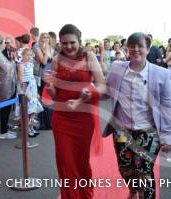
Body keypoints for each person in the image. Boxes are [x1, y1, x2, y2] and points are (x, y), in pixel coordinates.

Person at [104, 32, 171, 199]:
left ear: (148, 49)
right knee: (125, 168)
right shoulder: (117, 68)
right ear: (127, 48)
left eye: (140, 46)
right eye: (132, 45)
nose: (136, 49)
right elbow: (106, 92)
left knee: (145, 173)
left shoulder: (161, 74)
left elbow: (167, 106)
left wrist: (167, 136)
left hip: (148, 132)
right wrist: (87, 90)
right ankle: (133, 189)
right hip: (122, 132)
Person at [44, 24, 106, 198]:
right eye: (64, 43)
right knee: (65, 161)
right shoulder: (56, 60)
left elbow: (102, 86)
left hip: (83, 118)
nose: (68, 47)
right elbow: (55, 94)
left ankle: (85, 195)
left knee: (81, 161)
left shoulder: (89, 56)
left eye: (72, 42)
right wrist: (51, 90)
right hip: (62, 117)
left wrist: (89, 93)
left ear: (79, 41)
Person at [17, 48, 43, 137]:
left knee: (34, 109)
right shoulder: (20, 65)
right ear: (22, 55)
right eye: (26, 55)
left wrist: (36, 93)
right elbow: (20, 79)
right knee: (27, 110)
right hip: (26, 87)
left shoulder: (31, 64)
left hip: (33, 87)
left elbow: (32, 78)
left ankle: (31, 126)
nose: (28, 56)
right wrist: (24, 92)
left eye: (30, 55)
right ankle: (27, 129)